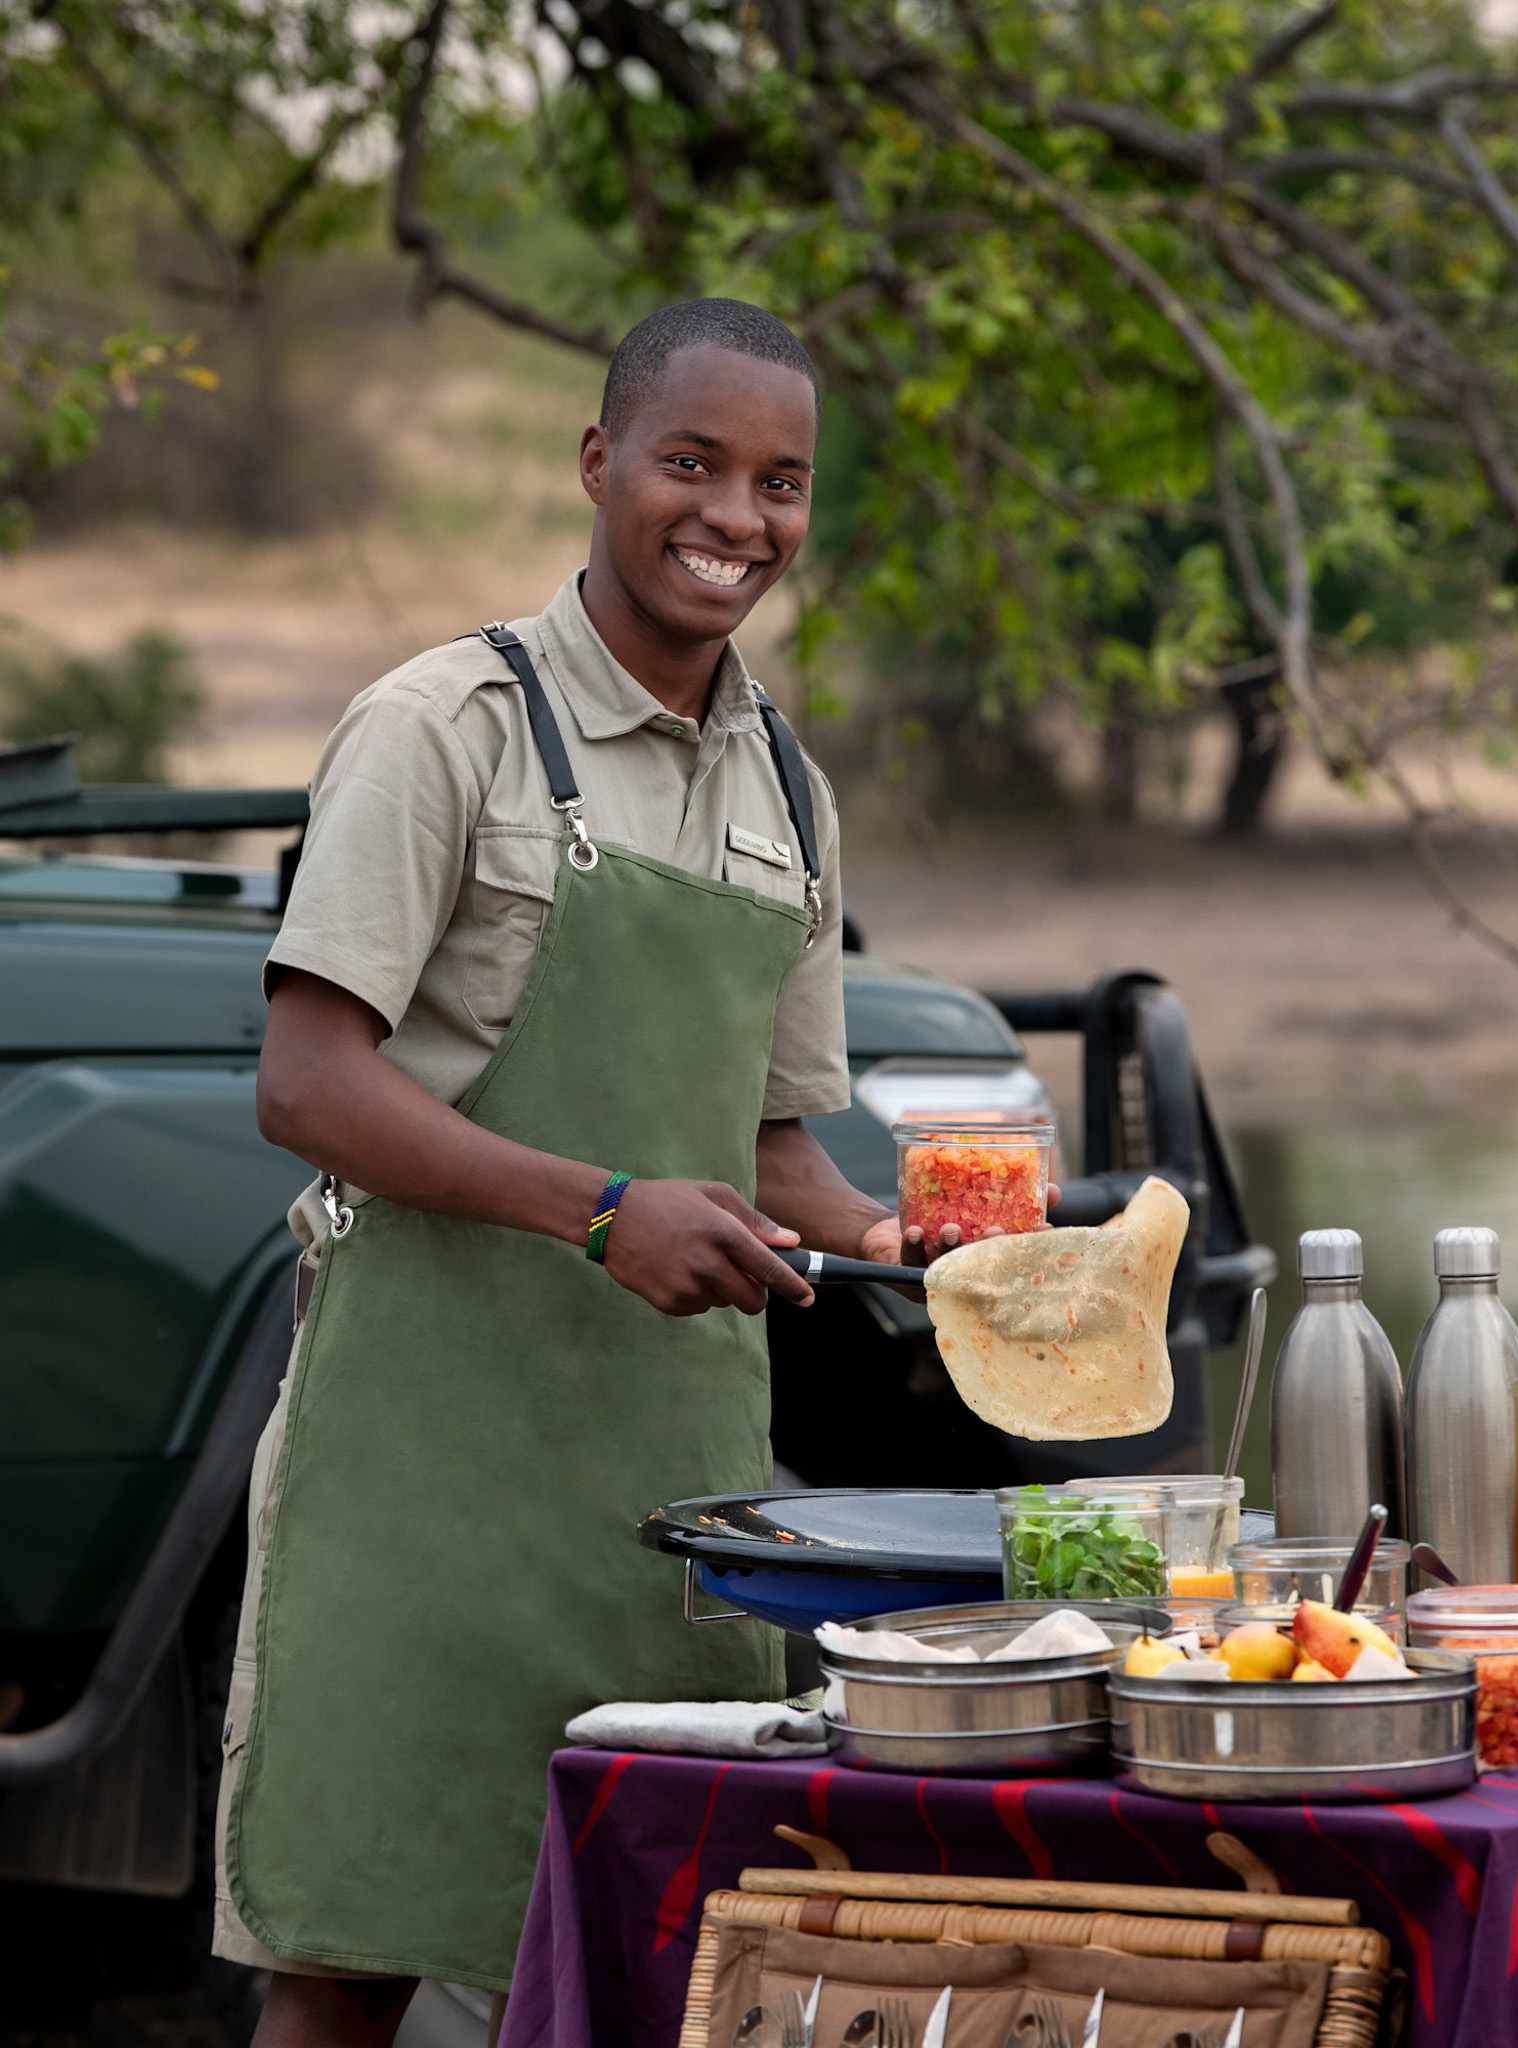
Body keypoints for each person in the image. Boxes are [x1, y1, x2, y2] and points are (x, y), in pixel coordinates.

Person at [214, 299, 911, 2048]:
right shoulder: (444, 726)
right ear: (599, 464)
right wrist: (602, 1212)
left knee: (680, 1954)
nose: (736, 518)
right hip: (422, 1459)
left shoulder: (791, 791)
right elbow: (306, 1085)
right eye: (693, 464)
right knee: (351, 1940)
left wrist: (923, 1241)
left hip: (674, 1493)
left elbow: (767, 1152)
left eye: (782, 482)